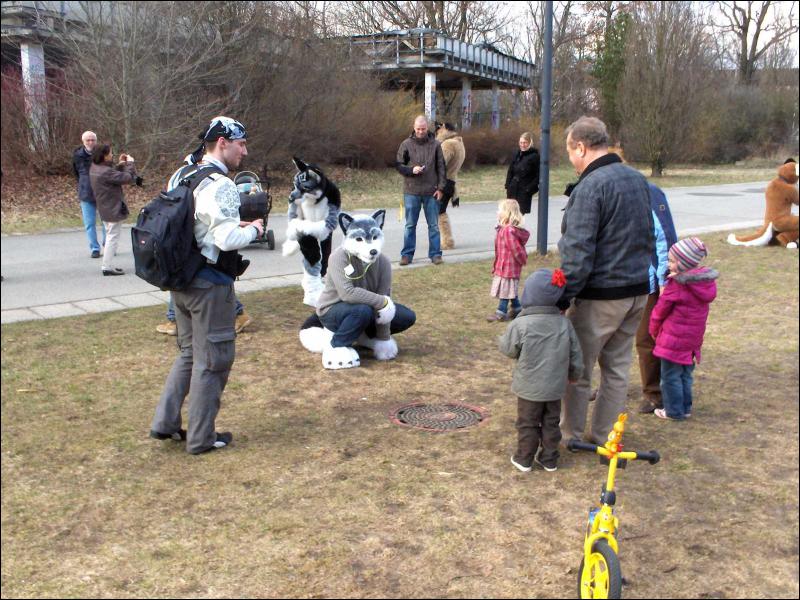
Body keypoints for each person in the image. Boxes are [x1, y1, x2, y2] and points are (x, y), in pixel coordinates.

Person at [150, 116, 264, 454]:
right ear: (222, 143)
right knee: (213, 361)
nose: (245, 150)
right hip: (209, 286)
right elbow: (227, 239)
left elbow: (195, 221)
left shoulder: (182, 173)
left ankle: (165, 423)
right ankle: (201, 438)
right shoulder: (222, 184)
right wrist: (254, 230)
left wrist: (232, 223)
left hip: (180, 282)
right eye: (240, 143)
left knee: (189, 354)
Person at [557, 116, 654, 446]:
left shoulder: (590, 187)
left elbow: (577, 252)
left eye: (570, 151)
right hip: (637, 292)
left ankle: (569, 435)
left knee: (577, 369)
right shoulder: (637, 179)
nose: (571, 159)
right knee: (616, 370)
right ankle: (604, 438)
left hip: (601, 297)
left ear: (581, 147)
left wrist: (561, 298)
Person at [156, 155, 253, 336]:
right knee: (196, 350)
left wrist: (253, 230)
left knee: (208, 349)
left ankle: (237, 313)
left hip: (201, 268)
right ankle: (176, 319)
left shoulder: (211, 183)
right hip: (197, 265)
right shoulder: (203, 182)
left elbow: (225, 239)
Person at [499, 268, 583, 473]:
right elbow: (575, 353)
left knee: (527, 422)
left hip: (529, 387)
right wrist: (574, 375)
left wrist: (501, 341)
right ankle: (549, 458)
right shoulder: (564, 323)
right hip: (555, 387)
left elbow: (509, 350)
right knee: (551, 422)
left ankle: (524, 458)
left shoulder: (520, 324)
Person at [649, 238, 718, 421]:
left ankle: (673, 411)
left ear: (682, 263)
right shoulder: (704, 284)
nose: (668, 264)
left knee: (670, 376)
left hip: (673, 339)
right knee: (686, 374)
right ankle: (685, 407)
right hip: (692, 339)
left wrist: (654, 329)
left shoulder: (677, 285)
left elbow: (660, 310)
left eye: (671, 261)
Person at [636, 184, 678, 414]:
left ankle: (655, 394)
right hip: (614, 278)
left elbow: (663, 236)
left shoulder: (649, 193)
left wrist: (663, 278)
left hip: (646, 281)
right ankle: (607, 387)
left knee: (647, 337)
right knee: (608, 338)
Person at [396, 115, 446, 265]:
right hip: (411, 192)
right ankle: (407, 255)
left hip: (431, 192)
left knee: (434, 226)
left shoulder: (436, 145)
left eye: (423, 129)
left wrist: (441, 188)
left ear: (427, 128)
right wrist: (412, 170)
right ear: (414, 127)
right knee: (410, 225)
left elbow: (442, 168)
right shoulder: (405, 144)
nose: (420, 131)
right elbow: (399, 165)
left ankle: (436, 255)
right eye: (418, 129)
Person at [89, 144, 136, 276]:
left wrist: (121, 165)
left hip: (103, 206)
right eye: (110, 153)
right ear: (104, 155)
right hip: (112, 207)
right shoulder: (105, 171)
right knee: (112, 237)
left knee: (110, 235)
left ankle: (108, 264)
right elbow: (128, 178)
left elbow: (111, 175)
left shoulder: (95, 167)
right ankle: (107, 267)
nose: (112, 155)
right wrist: (130, 164)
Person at [487, 199, 530, 322]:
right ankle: (517, 309)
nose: (497, 212)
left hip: (509, 267)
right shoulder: (503, 229)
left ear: (507, 213)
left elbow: (516, 249)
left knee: (505, 289)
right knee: (510, 289)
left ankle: (501, 312)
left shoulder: (508, 231)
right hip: (504, 265)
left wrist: (522, 259)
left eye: (499, 210)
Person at [72, 131, 105, 258]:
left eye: (93, 140)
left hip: (102, 192)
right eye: (88, 140)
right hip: (85, 192)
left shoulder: (102, 153)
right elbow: (76, 172)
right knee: (89, 223)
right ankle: (94, 248)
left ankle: (108, 245)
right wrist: (83, 183)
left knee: (105, 222)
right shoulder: (77, 155)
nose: (91, 142)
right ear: (83, 142)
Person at [435, 122, 465, 250]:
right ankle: (444, 240)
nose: (438, 131)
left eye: (440, 128)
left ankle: (447, 241)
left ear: (445, 129)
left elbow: (440, 165)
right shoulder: (459, 143)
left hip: (443, 182)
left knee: (439, 213)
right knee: (439, 212)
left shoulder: (448, 144)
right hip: (450, 182)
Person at [504, 132, 540, 216]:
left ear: (529, 143)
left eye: (525, 143)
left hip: (523, 192)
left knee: (518, 217)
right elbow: (510, 171)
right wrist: (508, 186)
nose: (522, 145)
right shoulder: (517, 154)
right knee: (509, 215)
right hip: (513, 189)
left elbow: (538, 176)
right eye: (521, 142)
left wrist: (528, 190)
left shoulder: (534, 156)